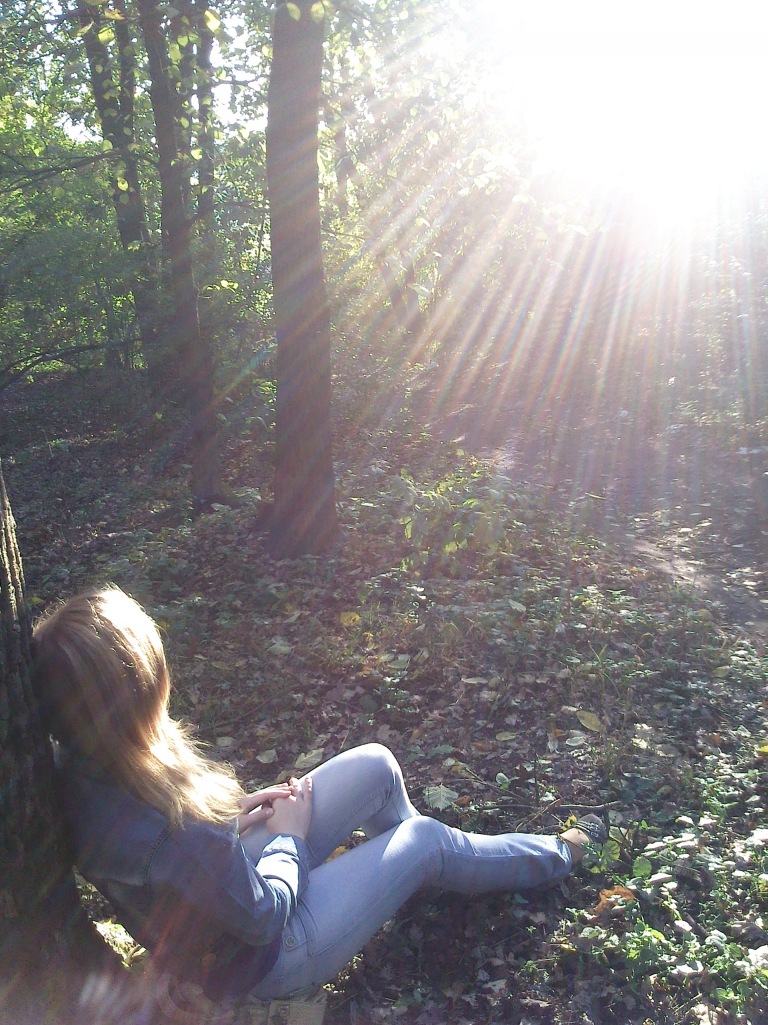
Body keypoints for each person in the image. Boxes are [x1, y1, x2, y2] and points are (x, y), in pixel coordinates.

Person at [31, 586, 607, 1005]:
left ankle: (419, 877)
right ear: (140, 692)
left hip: (224, 900)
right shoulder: (175, 835)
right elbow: (261, 917)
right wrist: (290, 838)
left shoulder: (76, 767)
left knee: (377, 764)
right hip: (266, 957)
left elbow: (178, 866)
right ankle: (558, 854)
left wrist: (233, 817)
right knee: (426, 839)